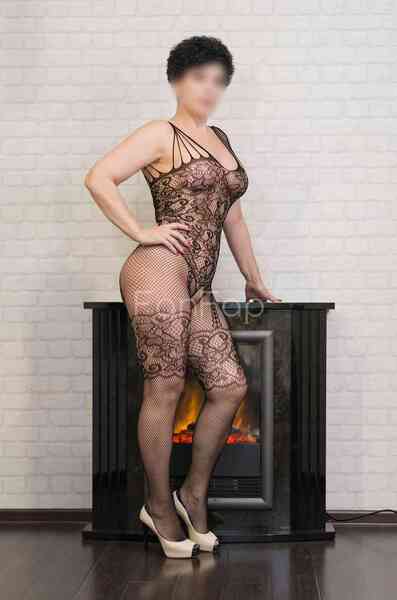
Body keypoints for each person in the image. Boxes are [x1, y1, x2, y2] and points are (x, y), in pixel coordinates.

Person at [84, 35, 282, 559]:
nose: (209, 89)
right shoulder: (160, 132)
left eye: (218, 80)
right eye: (199, 77)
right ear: (177, 80)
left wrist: (253, 277)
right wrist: (141, 232)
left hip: (198, 283)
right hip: (158, 271)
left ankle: (192, 492)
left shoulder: (219, 137)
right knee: (166, 383)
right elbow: (99, 177)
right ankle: (158, 506)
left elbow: (232, 217)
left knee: (230, 385)